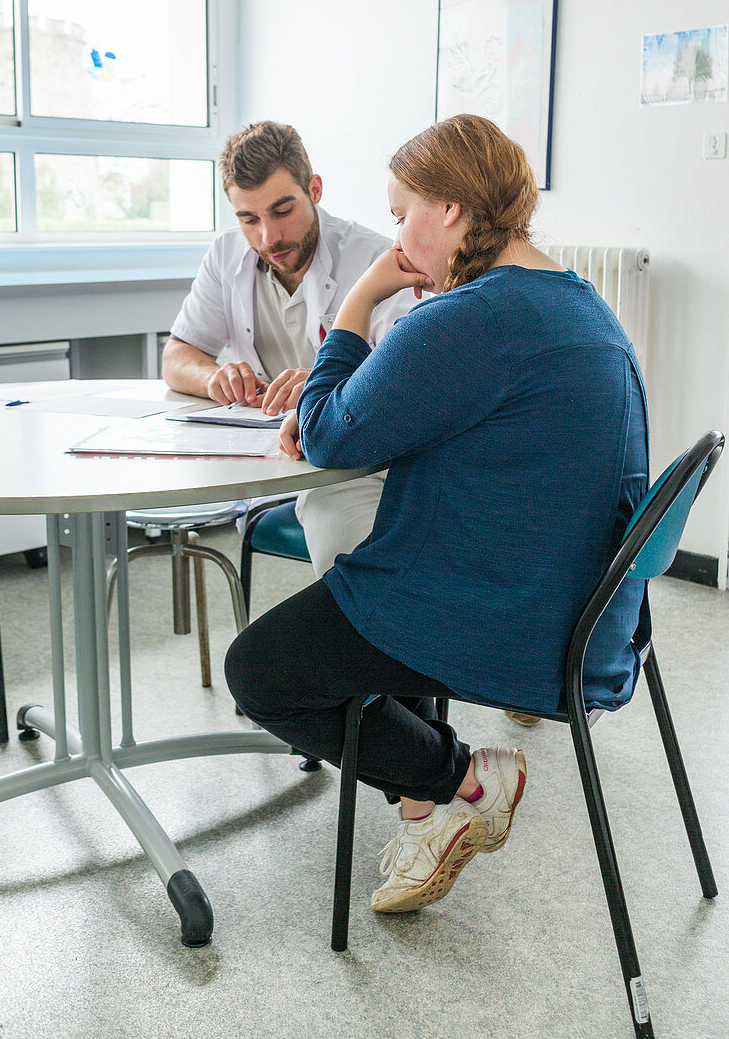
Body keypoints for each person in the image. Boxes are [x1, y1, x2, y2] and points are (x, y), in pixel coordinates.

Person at [224, 115, 648, 914]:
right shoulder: (574, 301)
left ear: (448, 209)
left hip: (510, 620)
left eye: (399, 214)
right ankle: (432, 810)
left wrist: (360, 294)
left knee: (261, 673)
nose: (395, 238)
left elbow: (329, 433)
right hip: (582, 614)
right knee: (348, 614)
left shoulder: (473, 316)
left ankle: (465, 784)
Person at [163, 120, 418, 577]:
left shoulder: (376, 259)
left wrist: (326, 389)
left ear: (314, 189)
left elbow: (402, 378)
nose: (269, 237)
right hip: (268, 458)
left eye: (283, 211)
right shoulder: (225, 256)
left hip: (353, 461)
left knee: (344, 534)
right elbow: (177, 356)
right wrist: (214, 377)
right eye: (249, 219)